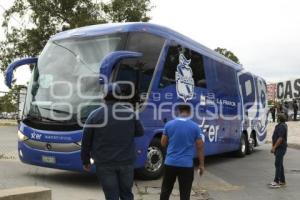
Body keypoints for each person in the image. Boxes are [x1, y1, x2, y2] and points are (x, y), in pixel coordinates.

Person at [81, 83, 144, 200]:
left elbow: (86, 141)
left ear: (103, 96)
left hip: (104, 163)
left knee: (111, 196)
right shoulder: (130, 113)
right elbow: (140, 132)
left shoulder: (94, 116)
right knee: (127, 194)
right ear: (119, 96)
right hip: (126, 162)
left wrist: (85, 161)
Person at [160, 104, 205, 200]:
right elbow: (200, 147)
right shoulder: (195, 127)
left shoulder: (169, 124)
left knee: (165, 190)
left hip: (170, 163)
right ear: (189, 112)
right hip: (186, 165)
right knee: (185, 193)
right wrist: (201, 165)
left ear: (178, 112)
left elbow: (163, 143)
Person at [269, 113, 288, 188]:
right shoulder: (281, 125)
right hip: (279, 148)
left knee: (277, 164)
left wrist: (274, 147)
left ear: (279, 119)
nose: (276, 118)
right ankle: (282, 181)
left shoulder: (282, 126)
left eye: (277, 117)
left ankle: (276, 181)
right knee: (280, 164)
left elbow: (280, 138)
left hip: (280, 148)